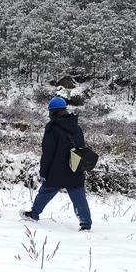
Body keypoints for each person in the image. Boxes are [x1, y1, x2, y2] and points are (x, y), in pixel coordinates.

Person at [20, 97, 92, 231]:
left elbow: (48, 153)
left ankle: (34, 214)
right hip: (74, 167)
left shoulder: (52, 128)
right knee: (78, 195)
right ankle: (86, 223)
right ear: (64, 110)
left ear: (52, 112)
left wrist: (43, 172)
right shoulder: (76, 127)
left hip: (57, 169)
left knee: (46, 191)